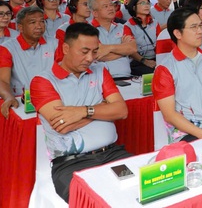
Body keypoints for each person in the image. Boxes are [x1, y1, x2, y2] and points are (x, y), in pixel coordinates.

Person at [30, 22, 131, 202]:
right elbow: (62, 125)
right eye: (84, 52)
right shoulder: (43, 81)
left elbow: (122, 111)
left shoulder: (100, 70)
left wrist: (82, 111)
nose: (90, 58)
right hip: (72, 163)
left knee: (137, 189)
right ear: (66, 48)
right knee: (92, 202)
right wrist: (102, 107)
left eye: (94, 51)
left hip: (113, 154)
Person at [153, 8, 202, 142]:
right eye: (194, 27)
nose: (200, 31)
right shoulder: (165, 69)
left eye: (201, 25)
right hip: (186, 134)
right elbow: (169, 115)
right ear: (177, 33)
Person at [0, 6, 57, 118]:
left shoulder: (55, 44)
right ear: (20, 27)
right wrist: (8, 97)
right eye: (32, 22)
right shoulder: (6, 49)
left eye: (42, 21)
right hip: (21, 102)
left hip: (51, 99)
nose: (39, 26)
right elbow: (2, 80)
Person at [89, 0, 136, 79]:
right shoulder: (87, 29)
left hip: (126, 77)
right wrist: (123, 51)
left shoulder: (123, 27)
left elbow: (132, 49)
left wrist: (108, 48)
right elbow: (98, 55)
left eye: (111, 5)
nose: (111, 8)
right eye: (105, 6)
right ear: (95, 13)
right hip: (99, 80)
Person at [123, 0, 158, 75]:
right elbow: (130, 49)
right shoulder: (128, 26)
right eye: (142, 3)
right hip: (138, 61)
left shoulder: (155, 23)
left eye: (147, 3)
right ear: (134, 7)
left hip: (155, 59)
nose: (146, 6)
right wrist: (144, 61)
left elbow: (159, 43)